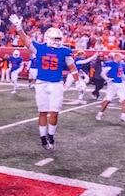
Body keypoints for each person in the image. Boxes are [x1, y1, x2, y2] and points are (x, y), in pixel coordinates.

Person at [9, 14, 78, 150]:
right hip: (41, 83)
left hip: (56, 84)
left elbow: (73, 68)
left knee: (54, 112)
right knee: (42, 112)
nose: (57, 41)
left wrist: (78, 82)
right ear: (47, 38)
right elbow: (25, 40)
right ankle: (42, 138)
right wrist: (19, 28)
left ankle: (51, 135)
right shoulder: (40, 48)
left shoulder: (64, 51)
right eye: (54, 39)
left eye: (59, 39)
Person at [95, 52, 125, 123]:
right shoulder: (110, 63)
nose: (122, 58)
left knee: (124, 100)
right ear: (116, 57)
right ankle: (99, 114)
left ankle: (123, 116)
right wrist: (107, 79)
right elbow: (102, 73)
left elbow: (122, 74)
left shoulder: (121, 63)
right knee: (108, 100)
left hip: (120, 84)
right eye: (120, 57)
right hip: (112, 84)